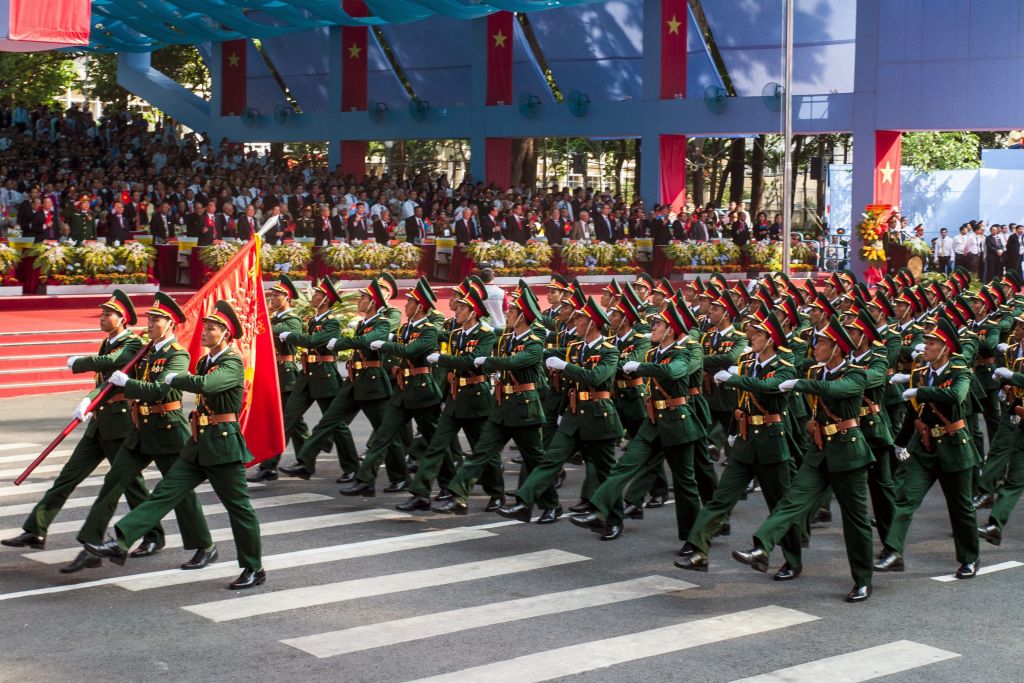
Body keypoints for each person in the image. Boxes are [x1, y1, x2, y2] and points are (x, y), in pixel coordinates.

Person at [85, 300, 266, 590]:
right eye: (205, 328)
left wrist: (176, 377)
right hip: (198, 443)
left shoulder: (231, 361)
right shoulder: (207, 361)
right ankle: (120, 542)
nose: (205, 333)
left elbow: (206, 385)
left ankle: (253, 567)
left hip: (223, 445)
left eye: (212, 329)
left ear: (226, 334)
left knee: (238, 508)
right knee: (164, 494)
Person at [1, 291, 163, 554]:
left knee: (131, 485)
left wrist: (80, 362)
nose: (102, 317)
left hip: (120, 425)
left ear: (122, 319)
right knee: (67, 477)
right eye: (102, 313)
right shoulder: (108, 341)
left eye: (108, 314)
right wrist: (88, 401)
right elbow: (103, 382)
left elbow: (113, 364)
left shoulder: (132, 344)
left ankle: (154, 534)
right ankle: (35, 529)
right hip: (99, 423)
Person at [68, 293, 216, 574]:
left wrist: (130, 384)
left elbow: (161, 389)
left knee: (178, 492)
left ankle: (205, 546)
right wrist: (92, 399)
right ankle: (91, 544)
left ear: (170, 324)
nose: (150, 323)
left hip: (168, 429)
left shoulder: (178, 354)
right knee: (114, 480)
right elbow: (114, 381)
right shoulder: (144, 352)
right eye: (149, 319)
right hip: (140, 429)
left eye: (157, 320)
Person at [733, 315, 875, 603]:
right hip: (820, 451)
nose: (817, 346)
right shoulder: (815, 373)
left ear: (838, 348)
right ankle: (762, 547)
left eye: (823, 342)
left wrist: (800, 385)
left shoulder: (856, 373)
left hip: (849, 454)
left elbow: (837, 391)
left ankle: (862, 579)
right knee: (792, 500)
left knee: (856, 520)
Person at [676, 307, 802, 576]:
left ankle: (792, 559)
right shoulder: (747, 364)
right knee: (720, 499)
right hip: (745, 443)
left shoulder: (785, 366)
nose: (751, 337)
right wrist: (732, 431)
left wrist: (737, 379)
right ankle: (699, 550)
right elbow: (740, 404)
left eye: (757, 334)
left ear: (771, 340)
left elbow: (769, 388)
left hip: (771, 444)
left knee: (780, 505)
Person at [570, 300, 705, 541]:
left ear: (671, 330)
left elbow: (674, 372)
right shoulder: (653, 352)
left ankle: (692, 537)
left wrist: (640, 367)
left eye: (658, 324)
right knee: (624, 466)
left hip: (678, 422)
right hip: (653, 421)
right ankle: (599, 510)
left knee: (685, 483)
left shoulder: (685, 352)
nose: (653, 327)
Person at [497, 295, 622, 523]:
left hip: (598, 417)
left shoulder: (609, 351)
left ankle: (613, 520)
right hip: (573, 417)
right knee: (550, 460)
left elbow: (596, 377)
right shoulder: (575, 347)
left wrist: (566, 366)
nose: (576, 323)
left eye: (580, 320)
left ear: (592, 323)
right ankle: (524, 502)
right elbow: (564, 381)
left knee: (605, 472)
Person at [876, 316, 981, 580]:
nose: (926, 346)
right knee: (905, 498)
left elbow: (956, 395)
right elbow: (916, 415)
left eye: (932, 342)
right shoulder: (920, 373)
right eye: (926, 342)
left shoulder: (960, 370)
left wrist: (921, 392)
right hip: (924, 448)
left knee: (961, 508)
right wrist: (900, 442)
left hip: (954, 447)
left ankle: (969, 558)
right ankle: (893, 551)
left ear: (946, 348)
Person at [433, 286, 547, 515]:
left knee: (535, 460)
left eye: (512, 312)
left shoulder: (534, 341)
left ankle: (549, 505)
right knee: (481, 453)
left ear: (523, 316)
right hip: (502, 405)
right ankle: (459, 496)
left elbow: (515, 363)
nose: (507, 314)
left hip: (525, 409)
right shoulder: (506, 339)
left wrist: (485, 361)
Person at [399, 285, 502, 511]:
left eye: (463, 308)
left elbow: (472, 360)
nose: (457, 310)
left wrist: (442, 359)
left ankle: (496, 493)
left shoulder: (486, 334)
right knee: (436, 445)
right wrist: (442, 395)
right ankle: (421, 493)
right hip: (455, 398)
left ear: (473, 311)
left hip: (476, 399)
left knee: (482, 451)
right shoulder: (456, 335)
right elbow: (452, 372)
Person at [340, 278, 443, 496]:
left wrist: (383, 344)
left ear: (420, 306)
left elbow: (408, 351)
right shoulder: (406, 328)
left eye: (410, 302)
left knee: (436, 443)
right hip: (402, 388)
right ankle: (365, 480)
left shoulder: (429, 329)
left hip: (423, 391)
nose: (405, 305)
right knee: (383, 436)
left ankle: (451, 486)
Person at [277, 278, 348, 480]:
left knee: (336, 425)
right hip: (307, 375)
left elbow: (314, 341)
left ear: (325, 299)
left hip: (324, 376)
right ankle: (296, 465)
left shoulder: (331, 322)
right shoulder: (314, 320)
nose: (313, 296)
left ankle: (350, 467)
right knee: (289, 417)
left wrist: (288, 335)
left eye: (317, 294)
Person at [249, 275, 310, 482]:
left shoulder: (291, 320)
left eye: (277, 295)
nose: (272, 298)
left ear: (288, 298)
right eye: (272, 294)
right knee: (294, 422)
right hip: (273, 374)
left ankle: (270, 466)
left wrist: (259, 319)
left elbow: (267, 332)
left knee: (286, 421)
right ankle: (305, 460)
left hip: (285, 375)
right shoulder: (273, 319)